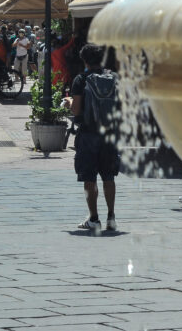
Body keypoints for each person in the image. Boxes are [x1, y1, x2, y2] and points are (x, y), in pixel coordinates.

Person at [64, 43, 120, 232]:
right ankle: (111, 217)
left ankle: (94, 218)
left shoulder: (81, 79)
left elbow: (77, 109)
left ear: (85, 60)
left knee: (89, 177)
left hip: (88, 134)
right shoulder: (113, 78)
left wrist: (69, 102)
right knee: (109, 176)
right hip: (110, 134)